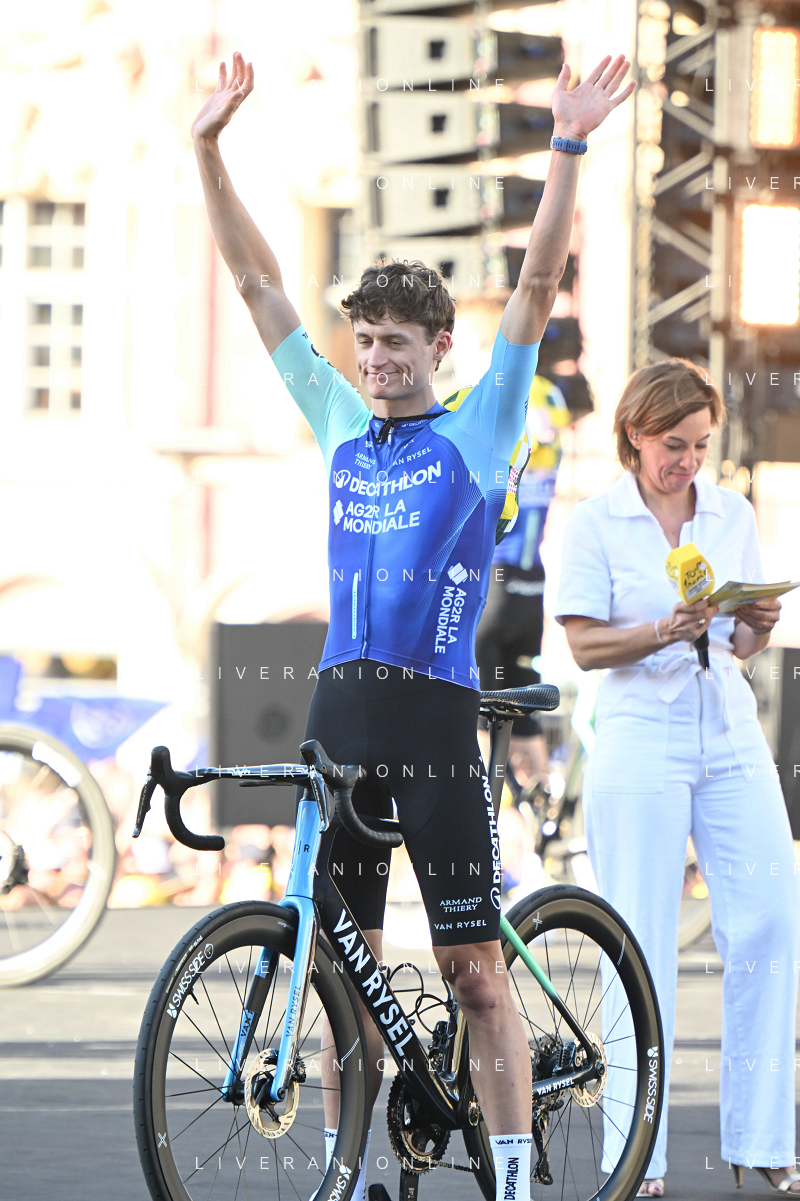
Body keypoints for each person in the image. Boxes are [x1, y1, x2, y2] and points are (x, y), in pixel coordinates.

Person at [191, 49, 635, 1201]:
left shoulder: (481, 425)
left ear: (438, 349)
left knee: (472, 971)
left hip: (434, 717)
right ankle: (348, 1176)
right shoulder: (341, 423)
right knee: (341, 972)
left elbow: (535, 286)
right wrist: (207, 148)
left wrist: (565, 145)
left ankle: (511, 1177)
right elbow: (257, 285)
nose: (377, 359)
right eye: (366, 342)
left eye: (397, 342)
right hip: (339, 706)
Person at [555, 359, 800, 1197]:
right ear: (635, 434)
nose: (688, 460)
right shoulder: (596, 521)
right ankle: (639, 1154)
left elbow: (740, 646)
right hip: (639, 733)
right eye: (673, 444)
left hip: (727, 725)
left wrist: (759, 621)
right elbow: (583, 645)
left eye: (700, 444)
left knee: (771, 920)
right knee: (638, 937)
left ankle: (763, 1136)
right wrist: (662, 628)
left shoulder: (731, 513)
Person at [475, 374, 571, 791]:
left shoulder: (500, 461)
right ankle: (542, 807)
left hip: (494, 587)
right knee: (525, 714)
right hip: (533, 587)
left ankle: (483, 809)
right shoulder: (552, 459)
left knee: (482, 714)